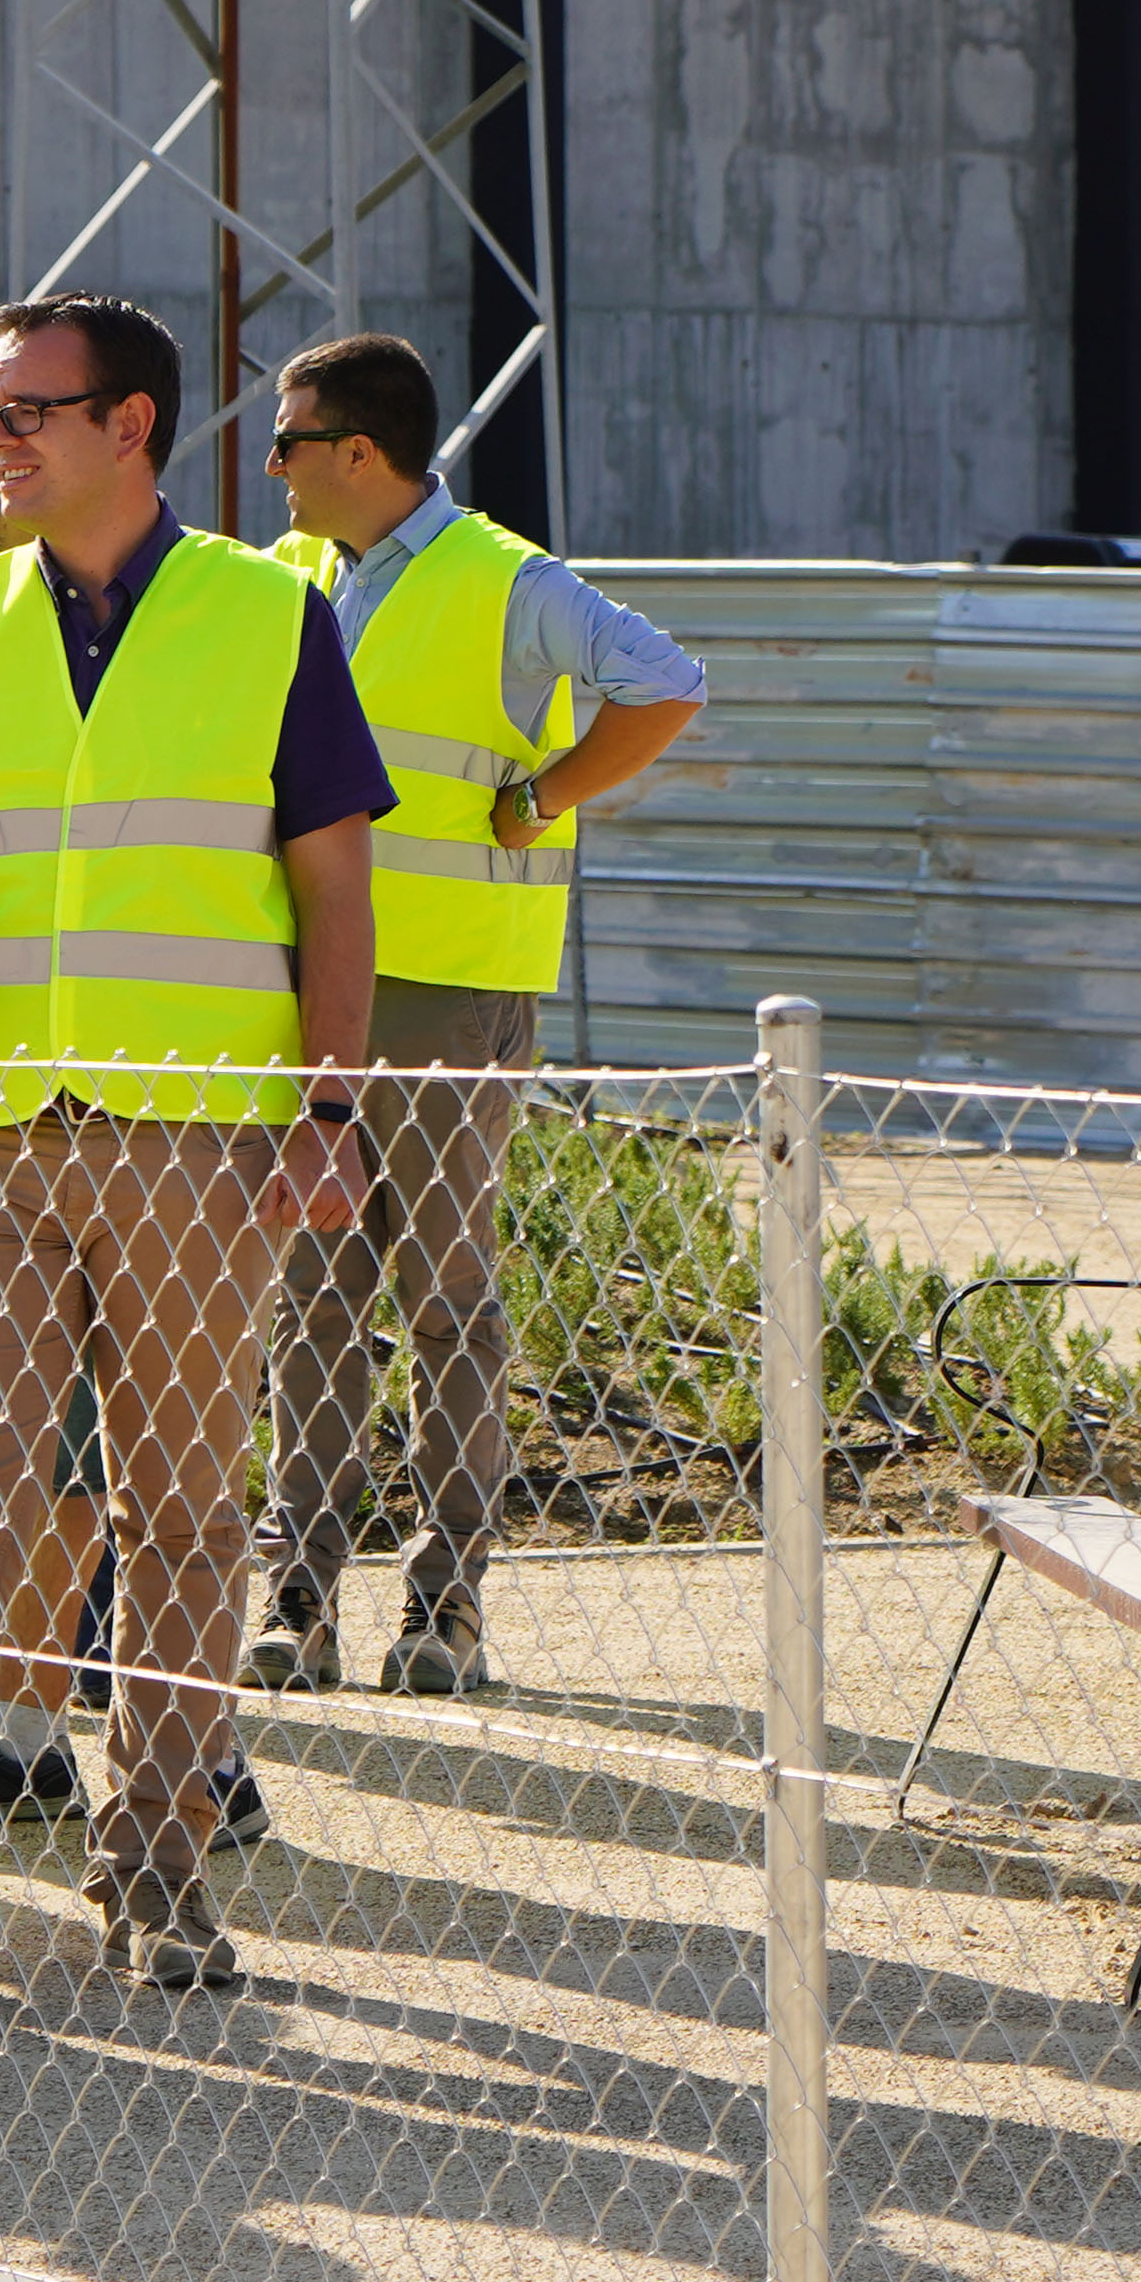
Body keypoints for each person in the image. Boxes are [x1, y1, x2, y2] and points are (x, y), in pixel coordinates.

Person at [0, 291, 387, 2005]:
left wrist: (330, 1114)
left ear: (133, 426)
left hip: (203, 1141)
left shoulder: (268, 615)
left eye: (27, 412)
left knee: (180, 1517)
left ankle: (158, 1876)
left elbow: (335, 892)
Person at [251, 334, 706, 1696]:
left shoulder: (508, 580)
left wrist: (546, 793)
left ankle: (446, 1609)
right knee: (312, 1300)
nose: (269, 465)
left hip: (449, 993)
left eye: (289, 440)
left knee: (446, 1301)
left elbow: (668, 682)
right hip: (307, 991)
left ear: (360, 453)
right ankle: (298, 1599)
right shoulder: (287, 577)